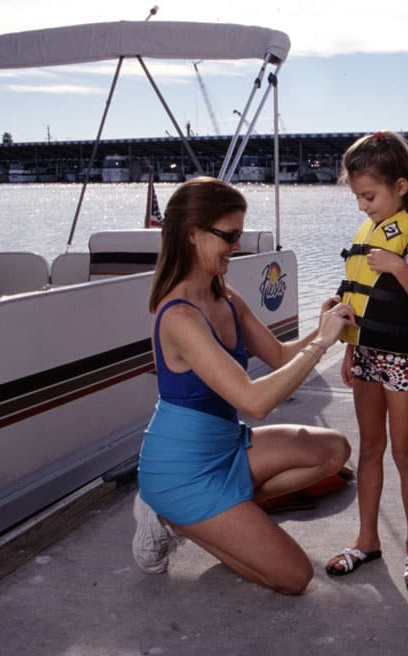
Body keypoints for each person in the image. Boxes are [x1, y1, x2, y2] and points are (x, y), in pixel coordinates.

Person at [131, 176, 355, 595]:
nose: (237, 246)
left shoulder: (227, 298)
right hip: (183, 471)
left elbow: (281, 358)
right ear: (194, 235)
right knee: (294, 577)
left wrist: (324, 325)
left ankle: (224, 515)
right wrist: (323, 344)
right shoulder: (179, 315)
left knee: (333, 451)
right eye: (230, 236)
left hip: (227, 448)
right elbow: (255, 401)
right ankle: (171, 517)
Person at [325, 131, 408, 589]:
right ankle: (367, 539)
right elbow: (360, 297)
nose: (363, 206)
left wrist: (399, 268)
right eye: (358, 197)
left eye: (369, 196)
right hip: (368, 357)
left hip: (401, 361)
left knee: (404, 451)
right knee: (370, 448)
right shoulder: (368, 234)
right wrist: (350, 346)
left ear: (400, 186)